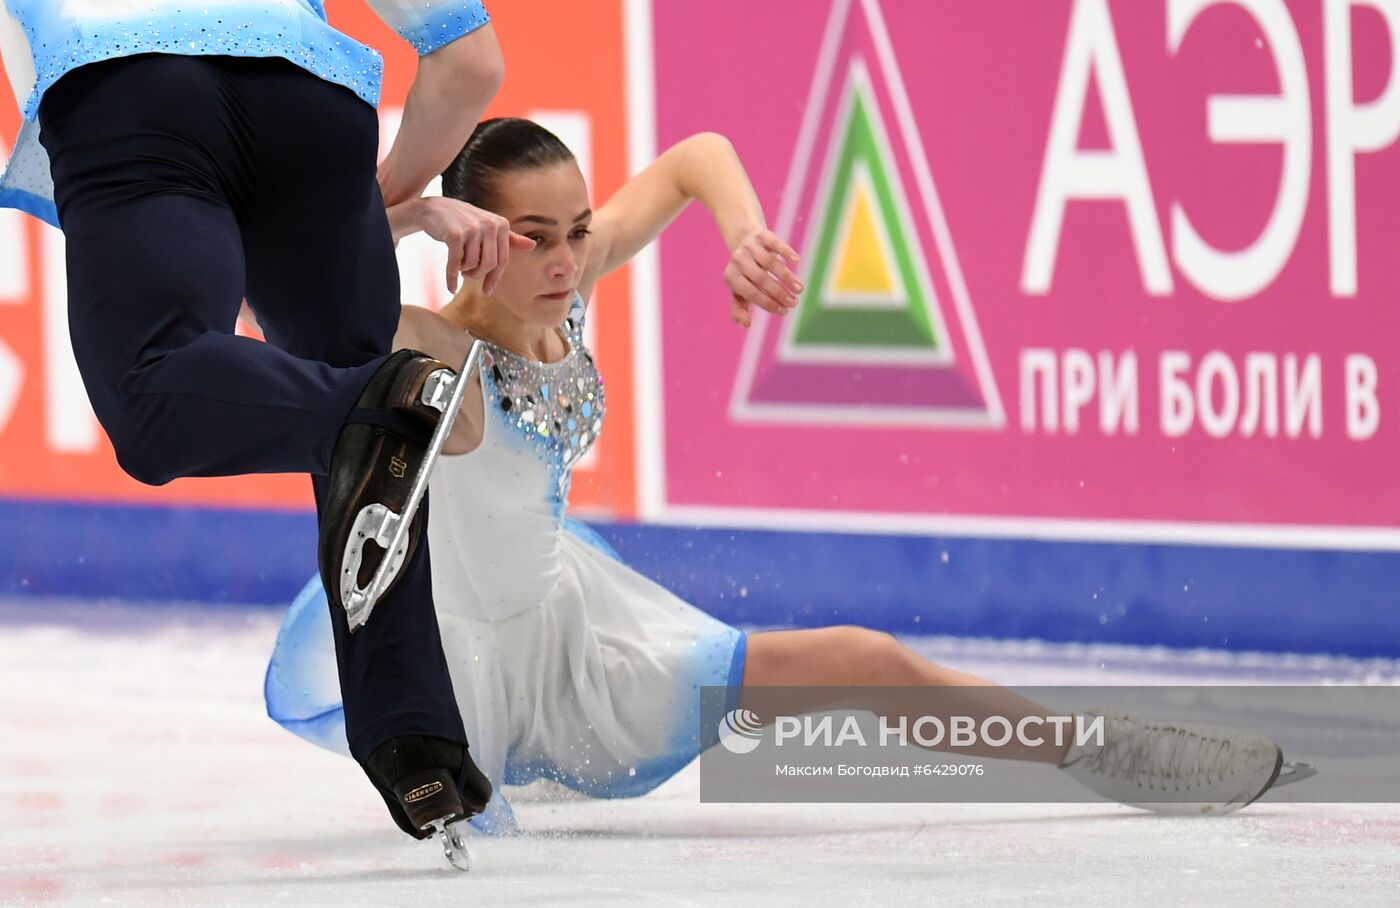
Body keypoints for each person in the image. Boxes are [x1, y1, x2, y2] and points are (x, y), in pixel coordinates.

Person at [266, 118, 1293, 836]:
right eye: (533, 237)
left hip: (584, 643)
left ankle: (1095, 748)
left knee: (865, 655)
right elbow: (265, 277)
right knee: (471, 851)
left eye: (578, 231)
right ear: (479, 238)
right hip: (456, 667)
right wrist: (411, 220)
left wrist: (743, 229)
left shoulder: (565, 293)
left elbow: (693, 158)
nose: (568, 258)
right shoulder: (428, 349)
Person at [0, 1, 520, 840]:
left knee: (156, 391)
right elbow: (470, 60)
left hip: (130, 90)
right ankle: (416, 743)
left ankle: (367, 398)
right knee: (368, 443)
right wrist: (365, 207)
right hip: (315, 104)